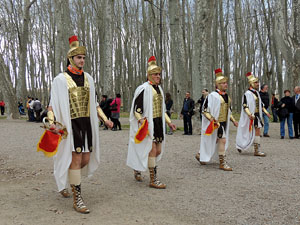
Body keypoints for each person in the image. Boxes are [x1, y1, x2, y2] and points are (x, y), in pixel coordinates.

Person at [47, 35, 113, 213]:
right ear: (71, 58)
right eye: (78, 57)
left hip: (87, 124)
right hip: (71, 124)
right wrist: (52, 123)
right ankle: (78, 199)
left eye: (83, 57)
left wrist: (105, 119)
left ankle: (64, 175)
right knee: (76, 158)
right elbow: (52, 104)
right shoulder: (60, 80)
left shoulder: (89, 79)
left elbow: (95, 103)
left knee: (84, 159)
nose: (82, 60)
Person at [127, 56, 176, 189]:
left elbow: (163, 110)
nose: (158, 76)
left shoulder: (159, 90)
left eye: (159, 74)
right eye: (155, 74)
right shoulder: (143, 89)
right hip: (148, 123)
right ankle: (153, 179)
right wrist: (140, 119)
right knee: (152, 150)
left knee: (158, 150)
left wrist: (169, 122)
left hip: (158, 123)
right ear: (149, 75)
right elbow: (136, 109)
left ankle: (137, 168)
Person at [195, 68, 238, 171]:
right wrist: (212, 120)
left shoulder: (227, 97)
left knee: (217, 140)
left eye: (226, 83)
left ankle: (201, 154)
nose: (225, 85)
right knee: (221, 140)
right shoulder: (212, 96)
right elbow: (204, 110)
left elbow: (229, 111)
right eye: (223, 83)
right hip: (215, 122)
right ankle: (222, 162)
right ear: (218, 84)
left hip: (224, 122)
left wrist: (233, 120)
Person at [236, 72, 271, 157]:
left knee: (258, 130)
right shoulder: (247, 94)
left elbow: (261, 104)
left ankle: (257, 150)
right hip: (250, 116)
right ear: (251, 83)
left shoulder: (257, 93)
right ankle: (240, 145)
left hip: (257, 115)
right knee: (246, 132)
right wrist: (249, 114)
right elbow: (245, 105)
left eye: (258, 82)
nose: (258, 84)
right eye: (256, 82)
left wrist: (266, 112)